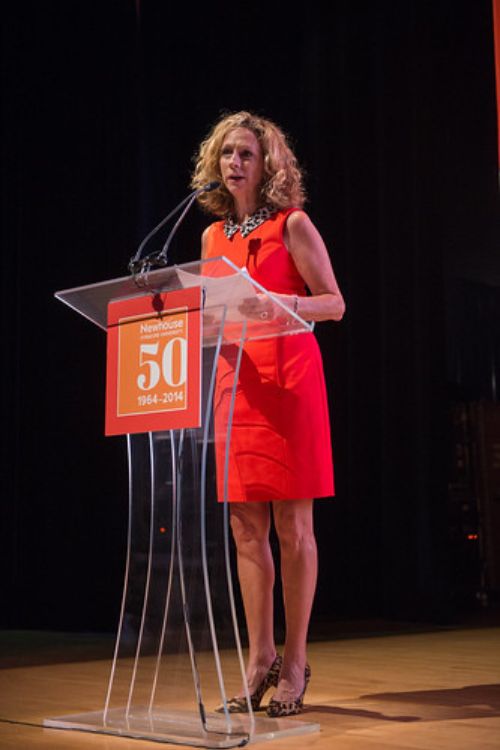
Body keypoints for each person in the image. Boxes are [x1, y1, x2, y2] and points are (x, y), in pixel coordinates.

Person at [191, 111, 345, 717]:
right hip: (238, 383)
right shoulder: (210, 238)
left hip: (290, 379)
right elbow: (210, 315)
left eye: (246, 154)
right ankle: (259, 660)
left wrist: (278, 301)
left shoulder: (292, 225)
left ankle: (297, 658)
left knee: (292, 527)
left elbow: (335, 303)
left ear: (268, 163)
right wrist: (176, 317)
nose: (234, 163)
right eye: (227, 153)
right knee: (245, 529)